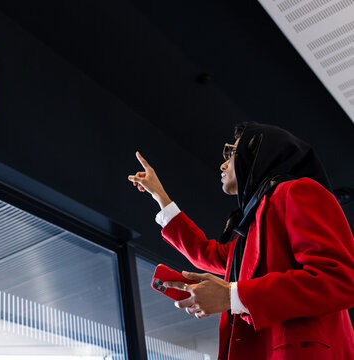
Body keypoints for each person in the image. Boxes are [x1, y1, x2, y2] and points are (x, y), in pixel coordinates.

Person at [128, 122, 354, 360]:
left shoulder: (298, 191)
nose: (223, 164)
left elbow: (340, 277)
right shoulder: (255, 221)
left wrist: (232, 296)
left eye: (231, 152)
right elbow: (207, 254)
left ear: (257, 154)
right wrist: (160, 196)